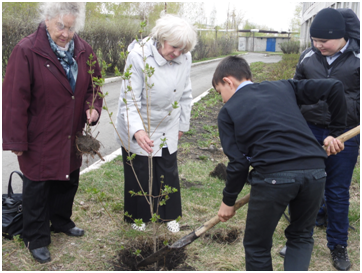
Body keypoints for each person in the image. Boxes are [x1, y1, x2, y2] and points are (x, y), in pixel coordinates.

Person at [214, 56, 347, 271]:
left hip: (274, 177)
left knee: (257, 246)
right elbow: (334, 87)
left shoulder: (228, 112)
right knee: (301, 236)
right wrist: (336, 133)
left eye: (220, 92)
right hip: (315, 172)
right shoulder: (283, 86)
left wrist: (228, 202)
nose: (223, 100)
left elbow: (238, 164)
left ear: (228, 81)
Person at [2, 3, 103, 263]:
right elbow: (14, 99)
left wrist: (93, 108)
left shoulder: (84, 50)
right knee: (37, 186)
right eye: (61, 26)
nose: (65, 33)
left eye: (71, 27)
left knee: (67, 180)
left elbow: (94, 86)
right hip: (39, 136)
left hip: (71, 134)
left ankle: (60, 221)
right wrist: (16, 139)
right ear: (47, 19)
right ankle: (35, 237)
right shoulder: (27, 50)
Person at [280, 8, 360, 271]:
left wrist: (342, 135)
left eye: (323, 41)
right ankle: (297, 239)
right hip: (310, 131)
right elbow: (294, 92)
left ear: (340, 37)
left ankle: (338, 246)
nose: (318, 45)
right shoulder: (308, 56)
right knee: (303, 186)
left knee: (336, 191)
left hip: (345, 133)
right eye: (314, 40)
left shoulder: (358, 57)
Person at [115, 14, 197, 233]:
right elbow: (130, 100)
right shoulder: (138, 56)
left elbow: (186, 94)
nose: (178, 53)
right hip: (141, 119)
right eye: (174, 47)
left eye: (183, 49)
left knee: (168, 168)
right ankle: (138, 218)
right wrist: (138, 131)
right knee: (140, 169)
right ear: (161, 39)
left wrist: (181, 125)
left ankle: (168, 215)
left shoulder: (184, 58)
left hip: (168, 121)